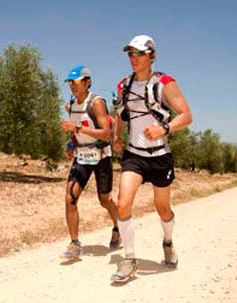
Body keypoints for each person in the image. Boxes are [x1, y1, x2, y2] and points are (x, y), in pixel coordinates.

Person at [110, 35, 193, 282]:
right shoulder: (123, 85)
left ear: (152, 56)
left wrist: (164, 129)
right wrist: (116, 137)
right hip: (134, 154)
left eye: (139, 54)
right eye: (130, 54)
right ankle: (130, 259)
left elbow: (187, 116)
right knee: (123, 204)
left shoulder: (166, 83)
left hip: (160, 156)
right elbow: (121, 115)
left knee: (162, 208)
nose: (134, 59)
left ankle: (168, 242)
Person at [60, 65, 121, 259]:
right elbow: (75, 132)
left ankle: (118, 226)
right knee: (70, 199)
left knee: (105, 200)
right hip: (82, 157)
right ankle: (74, 243)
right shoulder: (71, 105)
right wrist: (71, 144)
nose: (73, 86)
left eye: (76, 82)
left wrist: (78, 128)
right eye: (70, 83)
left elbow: (106, 133)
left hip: (101, 157)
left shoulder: (96, 103)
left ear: (87, 82)